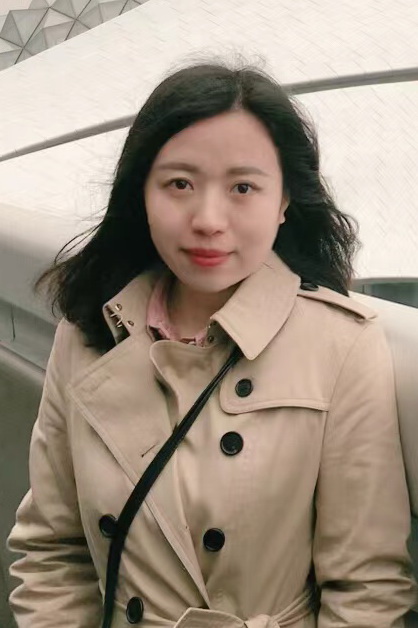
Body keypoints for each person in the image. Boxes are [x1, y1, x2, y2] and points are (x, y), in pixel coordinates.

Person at [7, 57, 417, 628]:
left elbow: (366, 590)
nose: (207, 219)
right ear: (141, 193)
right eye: (179, 183)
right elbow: (53, 550)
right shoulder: (88, 334)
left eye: (243, 187)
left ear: (284, 201)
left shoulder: (340, 346)